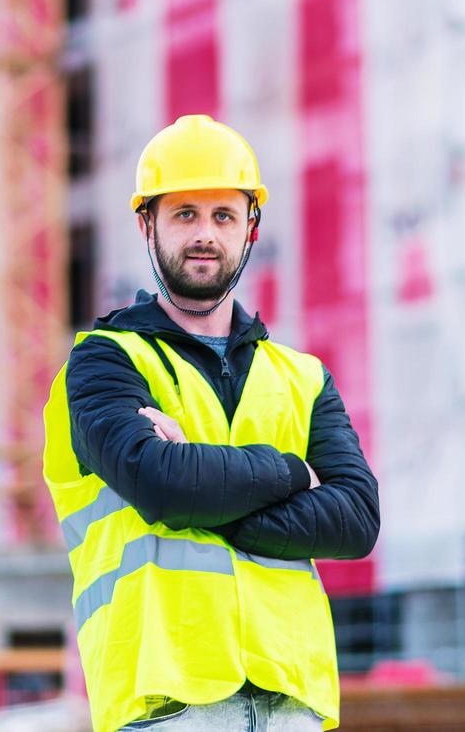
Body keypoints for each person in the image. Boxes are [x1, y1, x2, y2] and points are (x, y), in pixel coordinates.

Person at [43, 114, 379, 732]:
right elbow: (162, 485)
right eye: (185, 215)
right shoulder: (104, 360)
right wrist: (292, 472)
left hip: (292, 701)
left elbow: (356, 520)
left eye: (223, 216)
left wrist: (202, 488)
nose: (205, 235)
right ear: (148, 225)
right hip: (168, 703)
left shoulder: (302, 377)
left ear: (251, 227)